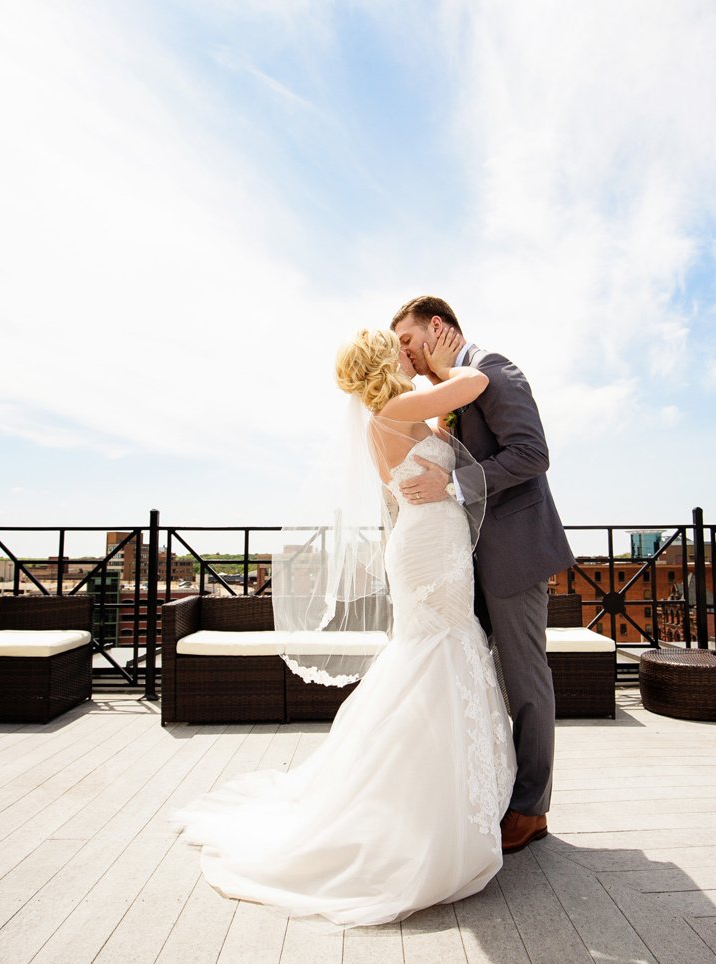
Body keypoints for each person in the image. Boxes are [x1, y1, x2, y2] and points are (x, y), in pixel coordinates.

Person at [173, 327, 516, 927]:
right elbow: (479, 380)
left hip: (431, 545)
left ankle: (442, 798)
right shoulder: (396, 407)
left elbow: (439, 444)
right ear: (384, 362)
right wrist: (442, 359)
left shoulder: (388, 415)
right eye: (398, 347)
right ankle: (418, 808)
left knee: (439, 652)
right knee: (433, 657)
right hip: (429, 550)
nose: (406, 353)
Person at [390, 295, 575, 854]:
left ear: (437, 327)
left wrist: (450, 487)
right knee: (476, 677)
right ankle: (489, 792)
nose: (405, 352)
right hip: (463, 561)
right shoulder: (452, 386)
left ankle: (530, 809)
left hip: (514, 554)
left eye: (406, 339)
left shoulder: (495, 371)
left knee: (524, 680)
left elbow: (531, 454)